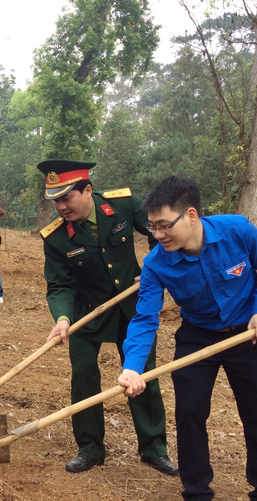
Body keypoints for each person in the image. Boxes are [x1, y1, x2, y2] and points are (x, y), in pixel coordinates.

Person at [118, 176, 257, 501]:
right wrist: (132, 366)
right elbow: (145, 318)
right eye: (153, 226)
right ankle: (197, 497)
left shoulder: (237, 231)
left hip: (249, 334)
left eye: (165, 225)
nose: (159, 234)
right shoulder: (156, 264)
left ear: (191, 215)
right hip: (198, 335)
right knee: (190, 414)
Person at [37, 160, 177, 476]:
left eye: (66, 198)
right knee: (84, 375)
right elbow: (59, 284)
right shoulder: (56, 237)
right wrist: (62, 318)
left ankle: (154, 449)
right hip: (86, 314)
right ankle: (90, 449)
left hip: (133, 309)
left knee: (142, 374)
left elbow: (161, 231)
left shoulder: (123, 204)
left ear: (87, 190)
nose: (60, 207)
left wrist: (156, 268)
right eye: (55, 201)